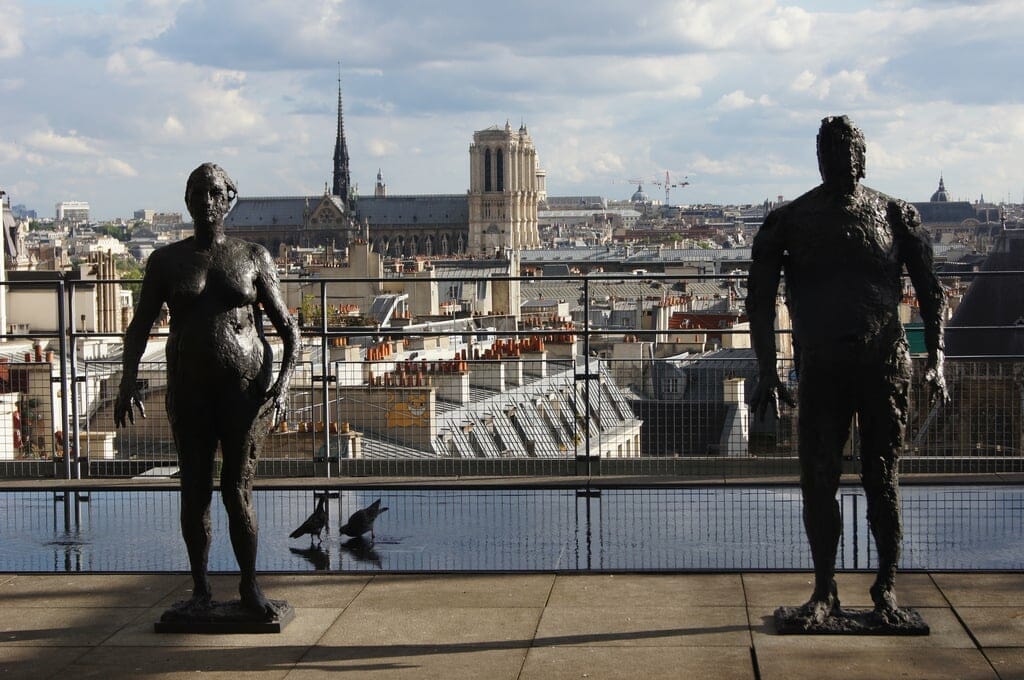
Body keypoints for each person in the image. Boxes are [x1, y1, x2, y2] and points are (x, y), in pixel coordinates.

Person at [746, 116, 947, 625]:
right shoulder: (793, 219)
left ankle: (883, 590)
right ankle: (827, 590)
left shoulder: (887, 214)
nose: (839, 160)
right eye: (830, 150)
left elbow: (931, 292)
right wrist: (767, 369)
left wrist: (937, 357)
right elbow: (758, 301)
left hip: (880, 364)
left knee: (881, 479)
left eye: (846, 150)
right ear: (821, 159)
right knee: (821, 479)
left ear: (860, 157)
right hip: (827, 366)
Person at [115, 163, 299, 619]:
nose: (206, 201)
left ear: (229, 200)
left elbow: (289, 329)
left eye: (215, 192)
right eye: (198, 192)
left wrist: (283, 386)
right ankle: (200, 590)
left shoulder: (253, 255)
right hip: (190, 390)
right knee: (194, 490)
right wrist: (126, 380)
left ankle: (250, 588)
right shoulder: (165, 261)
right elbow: (138, 327)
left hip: (244, 392)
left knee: (237, 491)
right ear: (187, 201)